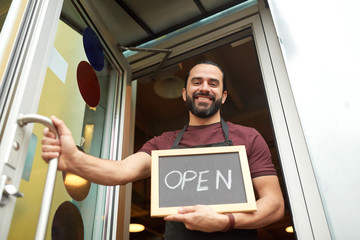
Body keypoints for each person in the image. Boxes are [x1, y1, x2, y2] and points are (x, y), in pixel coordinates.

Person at [42, 60, 284, 239]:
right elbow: (120, 171)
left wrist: (224, 222)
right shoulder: (163, 143)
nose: (204, 88)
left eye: (213, 83)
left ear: (223, 96)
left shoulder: (248, 137)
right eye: (196, 82)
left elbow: (274, 204)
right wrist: (74, 159)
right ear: (184, 93)